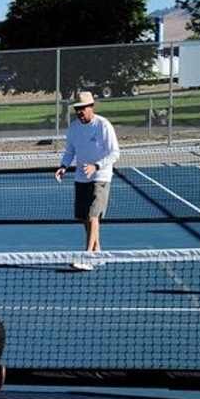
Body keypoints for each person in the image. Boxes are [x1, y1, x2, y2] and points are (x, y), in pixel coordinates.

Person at [54, 91, 120, 271]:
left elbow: (115, 153)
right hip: (81, 178)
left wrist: (96, 166)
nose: (80, 112)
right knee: (85, 217)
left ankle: (88, 256)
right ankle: (98, 251)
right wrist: (63, 166)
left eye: (83, 108)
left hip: (101, 177)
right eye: (77, 109)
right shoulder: (74, 128)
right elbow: (70, 151)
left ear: (92, 107)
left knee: (93, 216)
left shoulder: (103, 125)